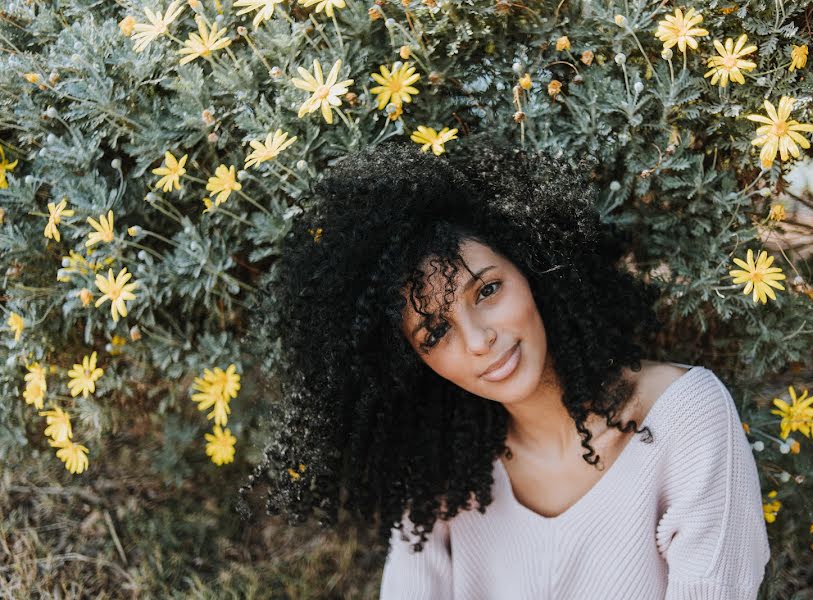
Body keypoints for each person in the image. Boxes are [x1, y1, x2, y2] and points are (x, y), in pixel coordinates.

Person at [239, 139, 771, 599]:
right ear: (414, 360)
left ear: (533, 263)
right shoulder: (445, 472)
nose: (479, 339)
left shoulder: (685, 418)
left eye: (488, 290)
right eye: (436, 332)